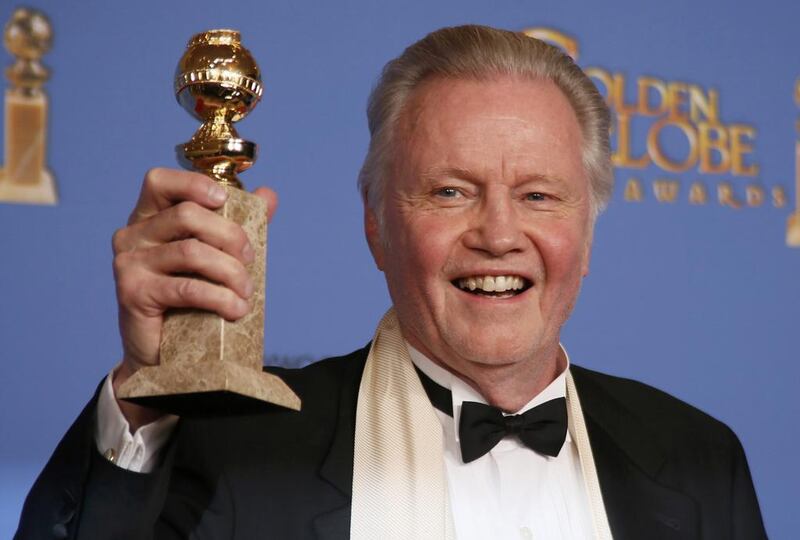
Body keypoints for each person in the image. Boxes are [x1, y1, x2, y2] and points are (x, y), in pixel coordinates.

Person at [16, 25, 766, 539]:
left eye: (540, 195)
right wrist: (148, 390)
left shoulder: (700, 459)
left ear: (588, 232)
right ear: (376, 224)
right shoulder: (237, 446)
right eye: (449, 191)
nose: (500, 234)